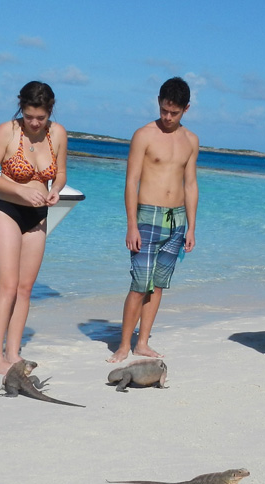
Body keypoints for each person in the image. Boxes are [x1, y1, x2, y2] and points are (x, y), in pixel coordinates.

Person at [107, 77, 198, 363]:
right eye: (163, 110)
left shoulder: (191, 141)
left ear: (186, 109)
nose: (167, 117)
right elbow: (131, 182)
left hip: (177, 220)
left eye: (174, 112)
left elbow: (191, 184)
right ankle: (123, 344)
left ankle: (142, 342)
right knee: (139, 285)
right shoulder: (143, 135)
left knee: (158, 285)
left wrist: (192, 227)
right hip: (147, 217)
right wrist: (131, 224)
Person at [0, 81, 68, 374]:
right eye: (29, 115)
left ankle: (13, 352)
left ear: (49, 112)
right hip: (5, 209)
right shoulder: (7, 131)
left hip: (38, 214)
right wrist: (21, 191)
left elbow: (62, 173)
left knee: (25, 288)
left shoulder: (58, 134)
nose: (33, 122)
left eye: (40, 118)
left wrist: (56, 189)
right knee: (7, 286)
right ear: (21, 108)